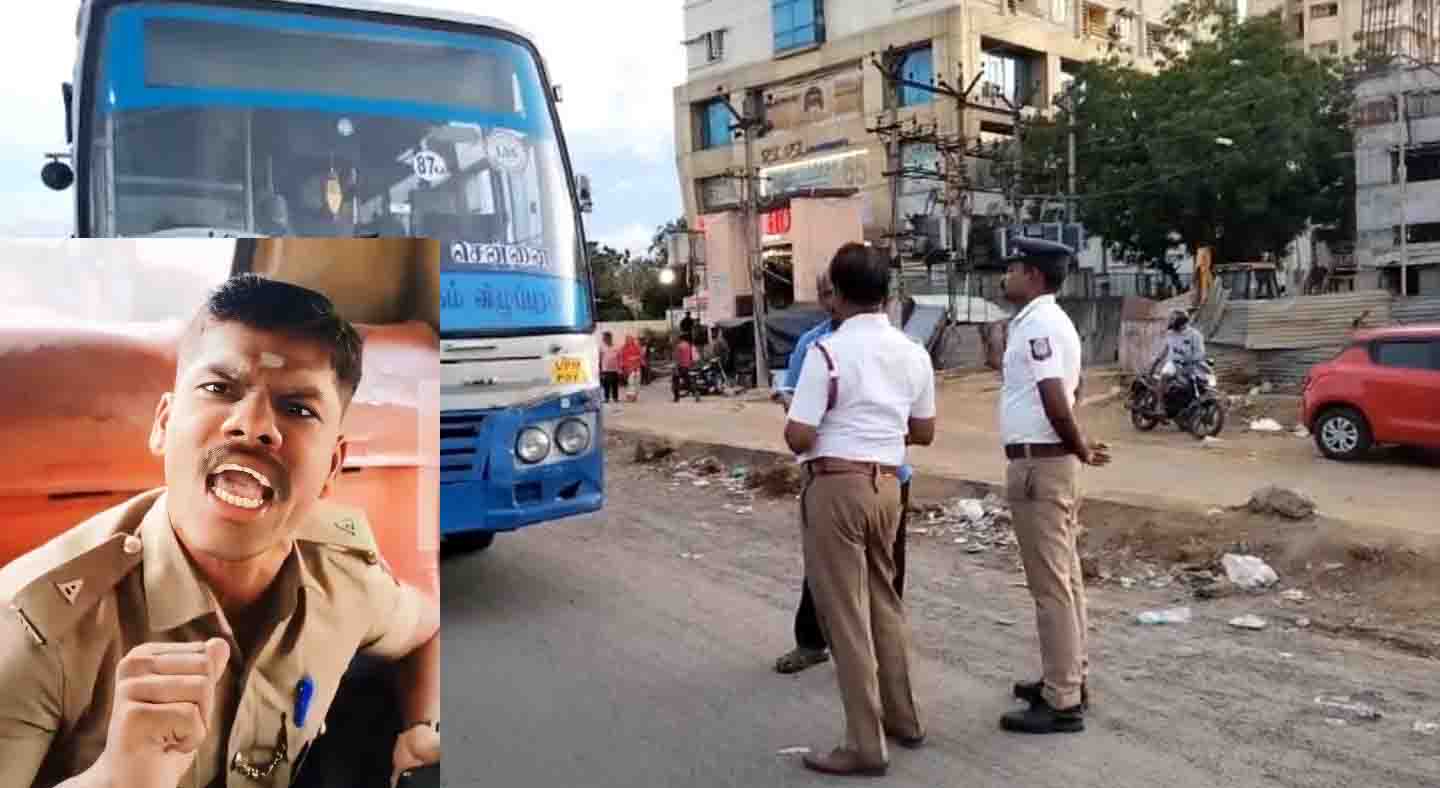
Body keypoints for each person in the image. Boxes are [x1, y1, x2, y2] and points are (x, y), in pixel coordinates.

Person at [0, 275, 441, 788]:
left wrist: (423, 726)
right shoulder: (35, 628)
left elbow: (427, 630)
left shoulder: (346, 576)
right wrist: (116, 779)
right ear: (164, 423)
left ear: (332, 467)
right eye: (220, 389)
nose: (253, 425)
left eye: (297, 408)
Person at [783, 243, 934, 777]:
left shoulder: (826, 353)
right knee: (885, 603)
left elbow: (797, 436)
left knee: (845, 618)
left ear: (836, 295)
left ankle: (865, 744)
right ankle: (904, 718)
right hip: (889, 486)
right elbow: (924, 432)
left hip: (837, 488)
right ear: (887, 293)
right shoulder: (914, 351)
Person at [772, 273, 916, 677]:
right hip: (835, 473)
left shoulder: (899, 349)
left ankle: (878, 660)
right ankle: (816, 642)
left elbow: (798, 433)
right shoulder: (815, 346)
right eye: (822, 293)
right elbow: (799, 413)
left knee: (886, 572)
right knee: (825, 571)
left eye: (832, 292)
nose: (828, 301)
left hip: (884, 474)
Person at [996, 237, 1111, 735]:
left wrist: (1079, 445)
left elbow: (1052, 398)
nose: (1007, 275)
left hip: (1040, 467)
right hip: (1050, 463)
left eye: (1014, 267)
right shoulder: (1051, 321)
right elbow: (1071, 390)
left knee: (1050, 588)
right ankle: (1068, 678)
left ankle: (1062, 699)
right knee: (1065, 579)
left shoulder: (1039, 324)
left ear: (1034, 276)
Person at [671, 333, 698, 400]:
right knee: (688, 382)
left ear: (681, 338)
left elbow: (677, 358)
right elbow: (691, 357)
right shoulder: (688, 346)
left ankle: (676, 397)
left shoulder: (679, 346)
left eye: (679, 338)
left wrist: (675, 367)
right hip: (687, 366)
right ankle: (696, 394)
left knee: (675, 381)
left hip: (680, 366)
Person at [620, 335, 645, 402]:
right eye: (627, 339)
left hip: (637, 367)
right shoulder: (624, 348)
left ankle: (635, 396)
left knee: (637, 383)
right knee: (631, 382)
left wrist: (636, 358)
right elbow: (622, 358)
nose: (629, 341)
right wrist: (622, 366)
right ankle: (630, 396)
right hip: (629, 368)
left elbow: (641, 355)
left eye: (630, 339)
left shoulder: (637, 347)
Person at [599, 331, 622, 403]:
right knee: (606, 384)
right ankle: (606, 398)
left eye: (605, 337)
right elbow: (600, 357)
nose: (603, 339)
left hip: (615, 369)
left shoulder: (616, 346)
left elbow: (619, 357)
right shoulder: (602, 347)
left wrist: (620, 368)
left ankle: (615, 398)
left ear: (609, 338)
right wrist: (600, 368)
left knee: (615, 384)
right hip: (605, 369)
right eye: (603, 338)